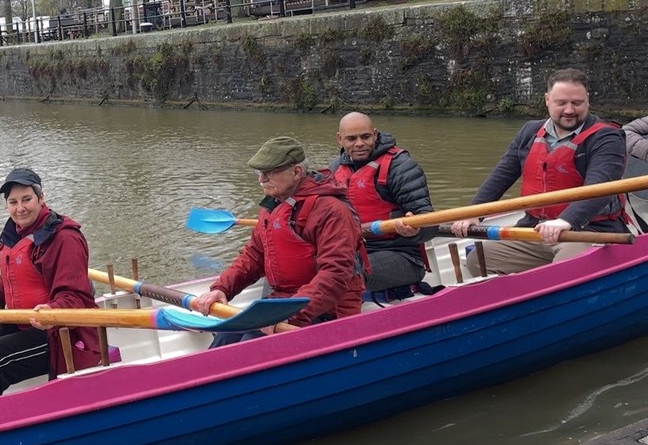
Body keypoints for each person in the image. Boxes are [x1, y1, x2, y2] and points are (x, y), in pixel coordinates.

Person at [451, 68, 629, 275]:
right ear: (547, 100)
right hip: (535, 229)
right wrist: (474, 213)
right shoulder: (530, 131)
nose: (569, 110)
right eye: (561, 103)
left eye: (577, 103)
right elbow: (501, 176)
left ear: (587, 100)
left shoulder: (607, 138)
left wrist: (566, 221)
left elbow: (600, 187)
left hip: (588, 231)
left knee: (565, 271)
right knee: (477, 261)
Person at [191, 137, 368, 343]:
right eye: (259, 173)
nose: (261, 179)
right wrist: (221, 288)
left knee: (251, 340)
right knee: (226, 336)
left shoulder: (332, 211)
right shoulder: (272, 205)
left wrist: (290, 313)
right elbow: (254, 256)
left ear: (296, 172)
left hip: (327, 309)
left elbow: (335, 274)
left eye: (270, 172)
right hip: (284, 301)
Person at [0, 168, 102, 398]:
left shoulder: (65, 238)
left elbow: (76, 296)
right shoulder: (14, 233)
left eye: (27, 199)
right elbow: (11, 277)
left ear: (41, 198)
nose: (20, 208)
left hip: (59, 333)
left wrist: (52, 311)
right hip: (23, 323)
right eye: (13, 202)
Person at [330, 112, 438, 296]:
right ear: (340, 139)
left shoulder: (401, 166)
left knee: (344, 272)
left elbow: (430, 225)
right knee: (300, 266)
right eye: (351, 138)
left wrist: (416, 229)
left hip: (403, 255)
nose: (359, 144)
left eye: (365, 137)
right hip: (355, 251)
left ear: (375, 134)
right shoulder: (335, 168)